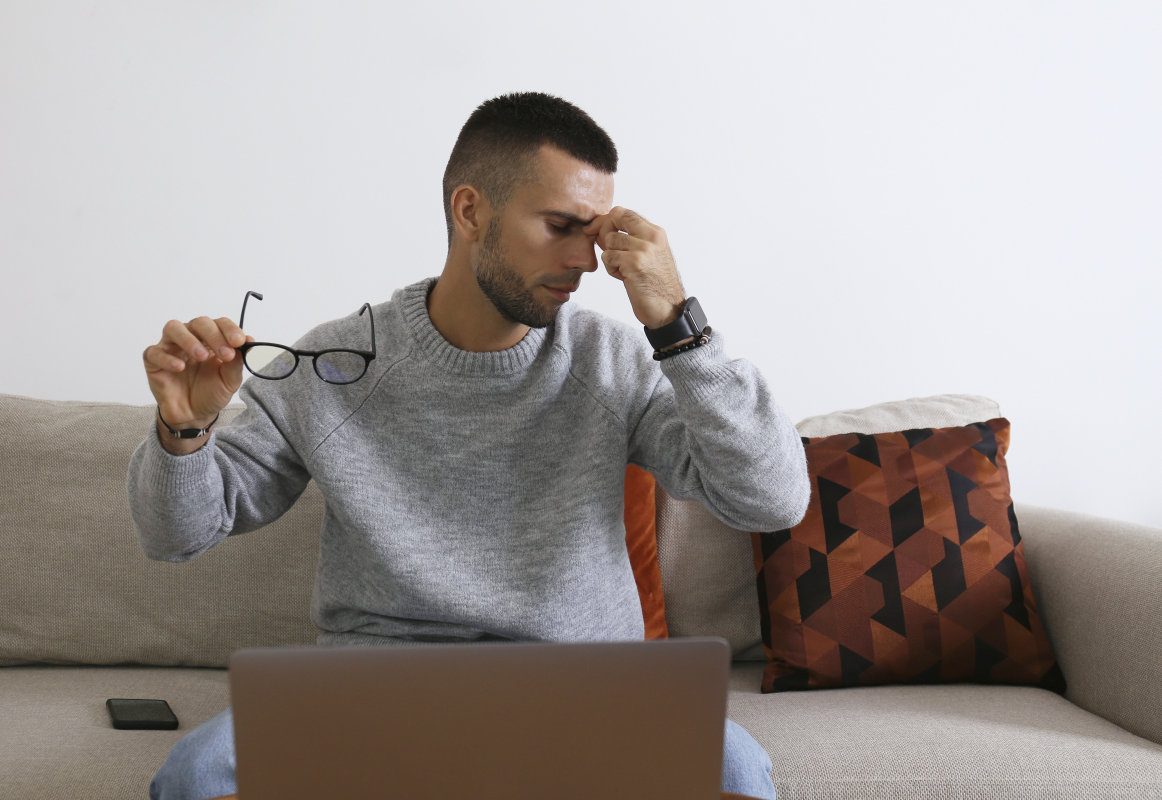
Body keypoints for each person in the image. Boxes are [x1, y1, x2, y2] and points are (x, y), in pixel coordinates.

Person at [130, 91, 809, 800]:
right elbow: (174, 536)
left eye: (597, 232)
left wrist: (679, 327)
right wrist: (186, 429)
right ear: (470, 209)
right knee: (197, 775)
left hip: (587, 689)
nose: (585, 259)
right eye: (560, 226)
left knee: (735, 768)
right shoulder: (336, 364)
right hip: (373, 693)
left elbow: (771, 498)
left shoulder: (611, 362)